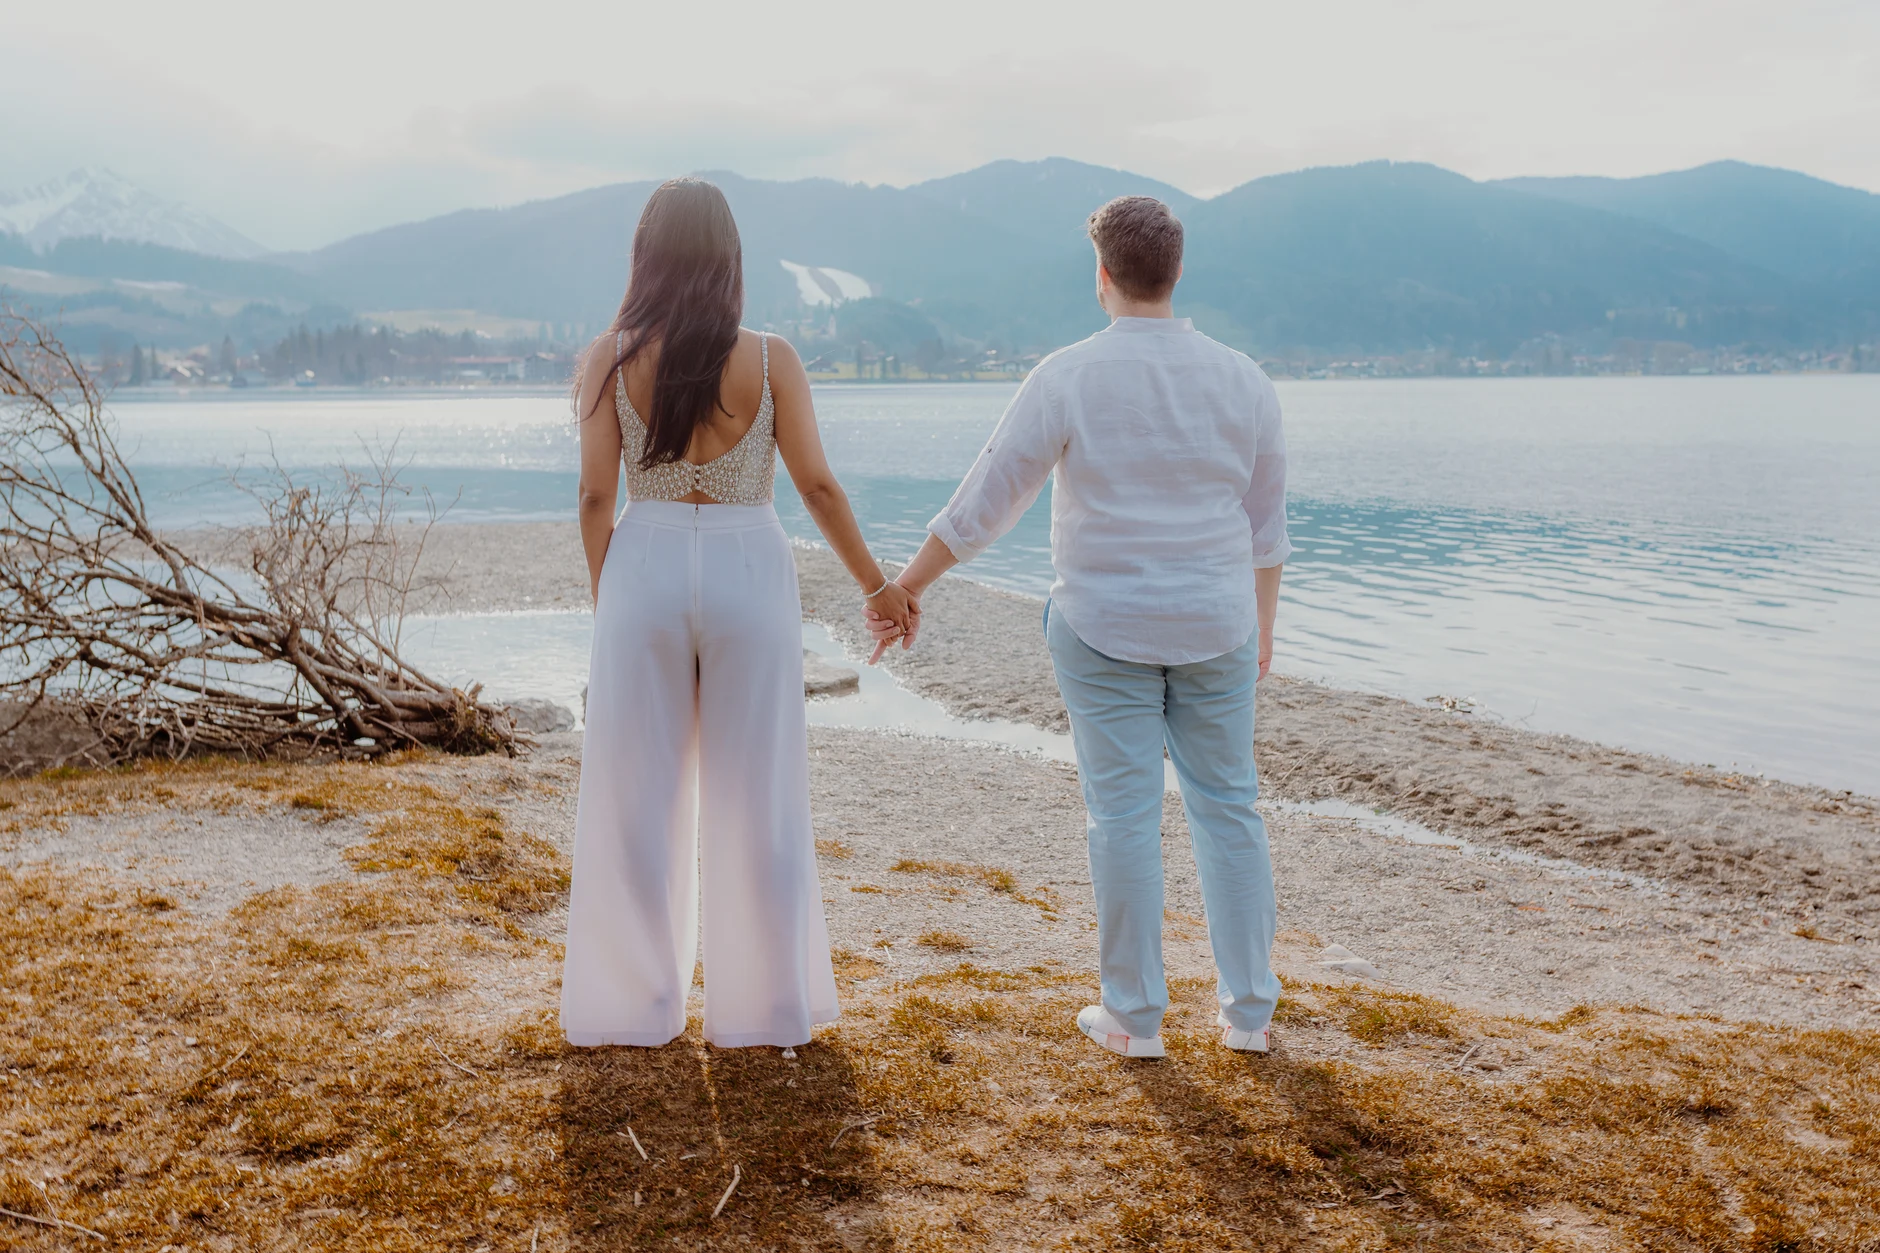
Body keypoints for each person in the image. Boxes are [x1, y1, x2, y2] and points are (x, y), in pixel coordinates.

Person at [870, 196, 1290, 1058]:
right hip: (1220, 623)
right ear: (1176, 273)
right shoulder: (1246, 379)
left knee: (1125, 815)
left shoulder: (1067, 374)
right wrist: (1264, 627)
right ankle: (1249, 1015)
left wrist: (903, 587)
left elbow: (986, 502)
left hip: (1104, 626)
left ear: (1102, 276)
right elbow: (1266, 530)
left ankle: (1134, 1019)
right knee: (1231, 810)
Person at [563, 177, 916, 1049]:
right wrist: (878, 587)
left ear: (646, 256)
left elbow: (594, 496)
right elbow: (819, 487)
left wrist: (609, 597)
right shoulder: (769, 358)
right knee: (756, 791)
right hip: (748, 567)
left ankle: (631, 1008)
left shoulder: (609, 356)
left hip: (642, 562)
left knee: (633, 793)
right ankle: (760, 1011)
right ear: (730, 260)